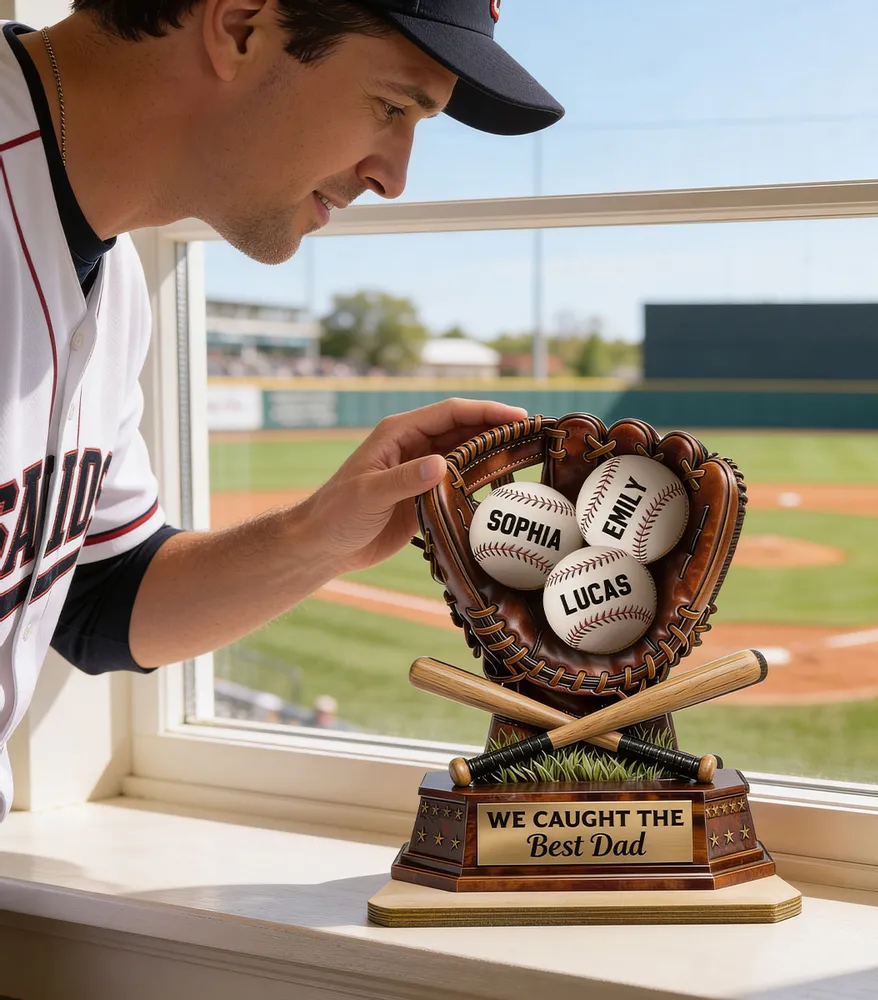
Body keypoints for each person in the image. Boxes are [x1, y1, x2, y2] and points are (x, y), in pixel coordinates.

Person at [0, 0, 563, 821]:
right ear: (239, 28)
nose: (394, 178)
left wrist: (319, 537)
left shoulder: (114, 286)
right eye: (392, 106)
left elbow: (99, 598)